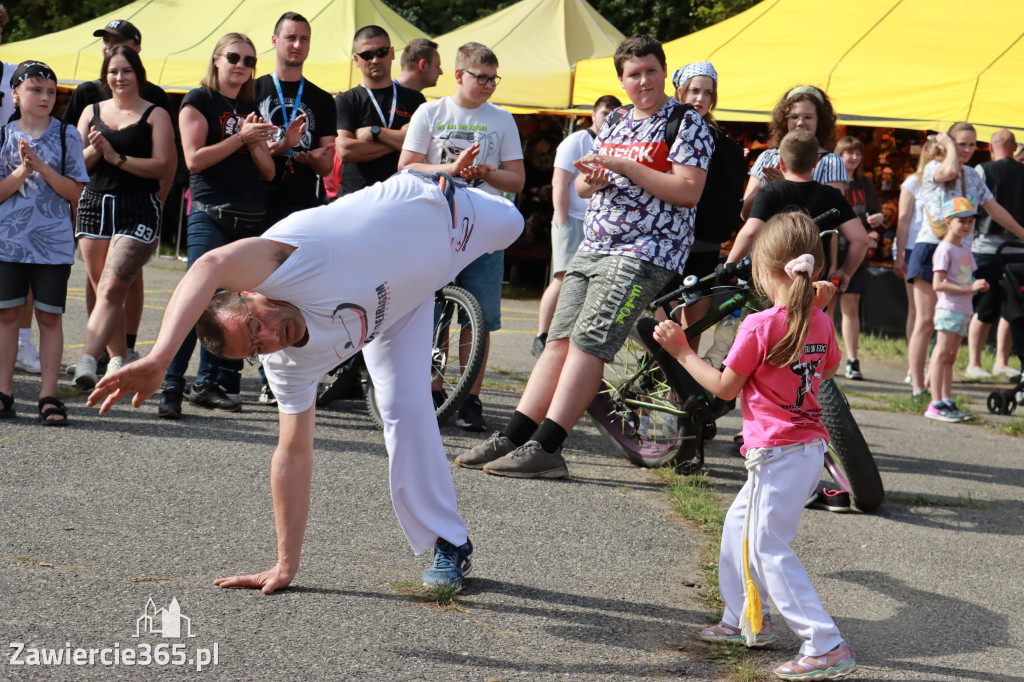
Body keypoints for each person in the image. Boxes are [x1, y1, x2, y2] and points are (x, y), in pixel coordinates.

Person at [88, 170, 524, 593]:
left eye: (255, 325)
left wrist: (161, 357)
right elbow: (292, 455)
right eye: (256, 348)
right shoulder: (288, 366)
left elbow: (210, 262)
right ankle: (451, 543)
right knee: (401, 406)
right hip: (399, 310)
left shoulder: (291, 259)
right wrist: (284, 564)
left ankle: (426, 170)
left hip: (440, 214)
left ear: (251, 291)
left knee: (515, 223)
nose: (271, 339)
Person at [457, 35, 711, 477]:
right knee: (558, 341)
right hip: (594, 246)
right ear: (622, 80)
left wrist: (626, 167)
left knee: (589, 342)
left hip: (645, 250)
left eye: (651, 70)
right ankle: (514, 436)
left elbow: (688, 192)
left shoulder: (687, 123)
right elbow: (580, 187)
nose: (644, 80)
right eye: (634, 74)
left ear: (664, 72)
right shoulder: (614, 121)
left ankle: (548, 447)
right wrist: (593, 179)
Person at [652, 211, 856, 681]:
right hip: (802, 451)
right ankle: (744, 619)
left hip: (778, 455)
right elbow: (826, 371)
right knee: (737, 530)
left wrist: (683, 351)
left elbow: (723, 389)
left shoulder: (761, 325)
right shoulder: (820, 322)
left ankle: (824, 643)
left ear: (764, 273)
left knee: (767, 546)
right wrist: (817, 311)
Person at [399, 42, 526, 432]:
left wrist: (486, 173)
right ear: (459, 75)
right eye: (480, 78)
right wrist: (451, 168)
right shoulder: (430, 111)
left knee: (480, 318)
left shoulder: (502, 118)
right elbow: (406, 167)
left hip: (484, 228)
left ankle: (471, 397)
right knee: (431, 313)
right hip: (436, 223)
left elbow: (517, 179)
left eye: (493, 79)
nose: (488, 85)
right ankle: (433, 391)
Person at [156, 33, 275, 419]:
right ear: (217, 60)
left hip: (249, 214)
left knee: (234, 306)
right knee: (195, 299)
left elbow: (269, 172)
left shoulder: (251, 104)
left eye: (249, 61)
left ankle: (208, 384)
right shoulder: (198, 100)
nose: (241, 65)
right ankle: (171, 385)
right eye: (234, 57)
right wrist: (240, 137)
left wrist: (260, 143)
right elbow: (194, 160)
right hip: (210, 211)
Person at [63, 19, 176, 367]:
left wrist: (160, 197)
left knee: (122, 279)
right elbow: (70, 158)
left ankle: (123, 348)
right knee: (100, 284)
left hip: (137, 202)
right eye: (106, 43)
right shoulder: (86, 97)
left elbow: (166, 162)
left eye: (119, 42)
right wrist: (96, 156)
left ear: (137, 54)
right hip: (95, 202)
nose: (110, 48)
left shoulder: (154, 100)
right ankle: (105, 358)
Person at [253, 11, 337, 406]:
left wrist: (316, 160)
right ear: (275, 40)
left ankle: (292, 375)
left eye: (304, 38)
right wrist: (282, 145)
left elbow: (327, 162)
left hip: (304, 205)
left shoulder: (321, 97)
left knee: (299, 291)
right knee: (258, 289)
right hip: (259, 200)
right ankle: (257, 367)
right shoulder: (253, 89)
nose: (297, 45)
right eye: (290, 37)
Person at [0, 61, 89, 423]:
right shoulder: (3, 136)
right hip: (9, 242)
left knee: (49, 318)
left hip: (52, 244)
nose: (45, 97)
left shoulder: (68, 135)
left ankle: (48, 395)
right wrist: (22, 170)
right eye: (36, 89)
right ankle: (4, 392)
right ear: (16, 94)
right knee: (7, 315)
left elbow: (75, 193)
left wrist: (41, 167)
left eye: (51, 91)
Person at [907, 122, 1024, 393]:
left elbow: (994, 209)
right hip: (932, 248)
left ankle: (932, 383)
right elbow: (948, 170)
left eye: (973, 145)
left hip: (960, 254)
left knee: (948, 321)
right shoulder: (934, 169)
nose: (968, 150)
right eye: (962, 143)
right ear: (948, 142)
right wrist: (948, 146)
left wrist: (1021, 233)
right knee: (926, 321)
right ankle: (917, 386)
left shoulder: (973, 175)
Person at [531, 95, 620, 357]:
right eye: (604, 113)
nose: (608, 119)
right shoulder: (577, 141)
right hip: (572, 218)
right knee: (562, 277)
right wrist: (561, 220)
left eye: (614, 115)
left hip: (600, 224)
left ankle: (572, 336)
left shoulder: (616, 144)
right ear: (593, 115)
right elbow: (560, 182)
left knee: (588, 283)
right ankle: (542, 334)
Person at [726, 130, 868, 293]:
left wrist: (729, 265)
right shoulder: (831, 195)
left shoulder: (771, 191)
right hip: (812, 285)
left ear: (781, 162)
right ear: (815, 162)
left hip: (772, 285)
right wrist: (845, 272)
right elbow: (861, 240)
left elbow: (751, 232)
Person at [670, 61, 745, 338]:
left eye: (707, 93)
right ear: (680, 93)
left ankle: (684, 381)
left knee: (692, 329)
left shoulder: (720, 141)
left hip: (702, 241)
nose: (700, 98)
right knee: (666, 322)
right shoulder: (667, 129)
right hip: (669, 241)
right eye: (694, 91)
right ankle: (657, 378)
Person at [335, 25, 426, 196]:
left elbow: (422, 148)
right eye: (367, 55)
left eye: (382, 52)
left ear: (392, 53)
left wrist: (375, 132)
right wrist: (401, 140)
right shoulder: (345, 100)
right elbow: (345, 151)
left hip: (401, 196)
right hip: (357, 197)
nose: (375, 60)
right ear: (356, 59)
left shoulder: (415, 99)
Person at [966, 129, 1024, 378]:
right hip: (1017, 248)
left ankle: (974, 363)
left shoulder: (983, 171)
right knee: (1013, 307)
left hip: (986, 247)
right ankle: (1001, 360)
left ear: (990, 146)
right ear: (1014, 147)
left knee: (984, 307)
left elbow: (971, 205)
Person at [740, 85, 847, 221]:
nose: (800, 123)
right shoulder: (767, 157)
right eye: (794, 116)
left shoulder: (831, 162)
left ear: (820, 121)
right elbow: (745, 214)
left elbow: (832, 216)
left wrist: (785, 188)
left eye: (808, 117)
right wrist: (768, 189)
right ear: (785, 121)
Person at [925, 197, 988, 422]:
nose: (967, 225)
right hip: (949, 309)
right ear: (948, 222)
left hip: (962, 310)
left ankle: (946, 400)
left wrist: (976, 285)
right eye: (961, 221)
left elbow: (966, 277)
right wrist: (971, 287)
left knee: (951, 356)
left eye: (970, 221)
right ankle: (935, 402)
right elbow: (938, 284)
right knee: (942, 354)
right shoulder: (945, 249)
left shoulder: (964, 248)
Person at [893, 139, 944, 386]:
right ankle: (916, 367)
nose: (938, 158)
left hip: (942, 247)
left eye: (942, 154)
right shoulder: (913, 182)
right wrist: (899, 253)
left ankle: (934, 365)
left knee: (936, 312)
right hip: (915, 248)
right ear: (926, 154)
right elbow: (903, 220)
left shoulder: (950, 180)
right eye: (935, 154)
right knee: (917, 311)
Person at [834, 136, 884, 380]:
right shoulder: (832, 181)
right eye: (848, 153)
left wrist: (878, 219)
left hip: (856, 250)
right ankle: (823, 359)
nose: (853, 157)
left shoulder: (866, 184)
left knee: (851, 307)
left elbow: (875, 213)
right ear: (838, 155)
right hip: (832, 246)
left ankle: (852, 360)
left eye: (857, 153)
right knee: (825, 305)